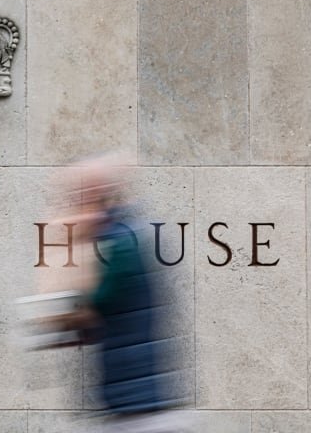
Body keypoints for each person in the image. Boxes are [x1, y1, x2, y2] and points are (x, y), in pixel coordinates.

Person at [58, 155, 190, 432]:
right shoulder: (126, 235)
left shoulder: (120, 245)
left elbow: (87, 310)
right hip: (133, 402)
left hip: (138, 410)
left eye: (78, 199)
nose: (74, 209)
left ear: (96, 199)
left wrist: (75, 241)